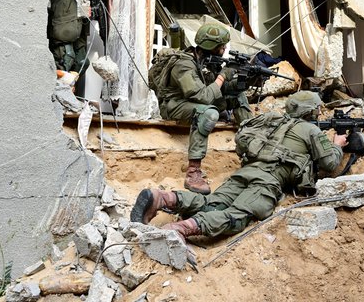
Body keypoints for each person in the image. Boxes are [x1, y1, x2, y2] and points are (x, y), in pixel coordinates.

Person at [130, 90, 348, 239]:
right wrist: (337, 144)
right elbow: (329, 163)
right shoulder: (311, 130)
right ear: (309, 112)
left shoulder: (270, 120)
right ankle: (182, 228)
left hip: (245, 171)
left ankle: (163, 198)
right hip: (267, 181)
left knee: (212, 202)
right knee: (237, 216)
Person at [157, 23, 253, 195]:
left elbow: (218, 88)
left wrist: (246, 80)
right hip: (173, 105)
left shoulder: (204, 60)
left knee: (237, 95)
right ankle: (193, 172)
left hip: (193, 101)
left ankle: (252, 147)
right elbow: (203, 96)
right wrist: (223, 76)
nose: (224, 48)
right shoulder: (184, 64)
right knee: (209, 113)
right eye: (221, 46)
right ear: (210, 46)